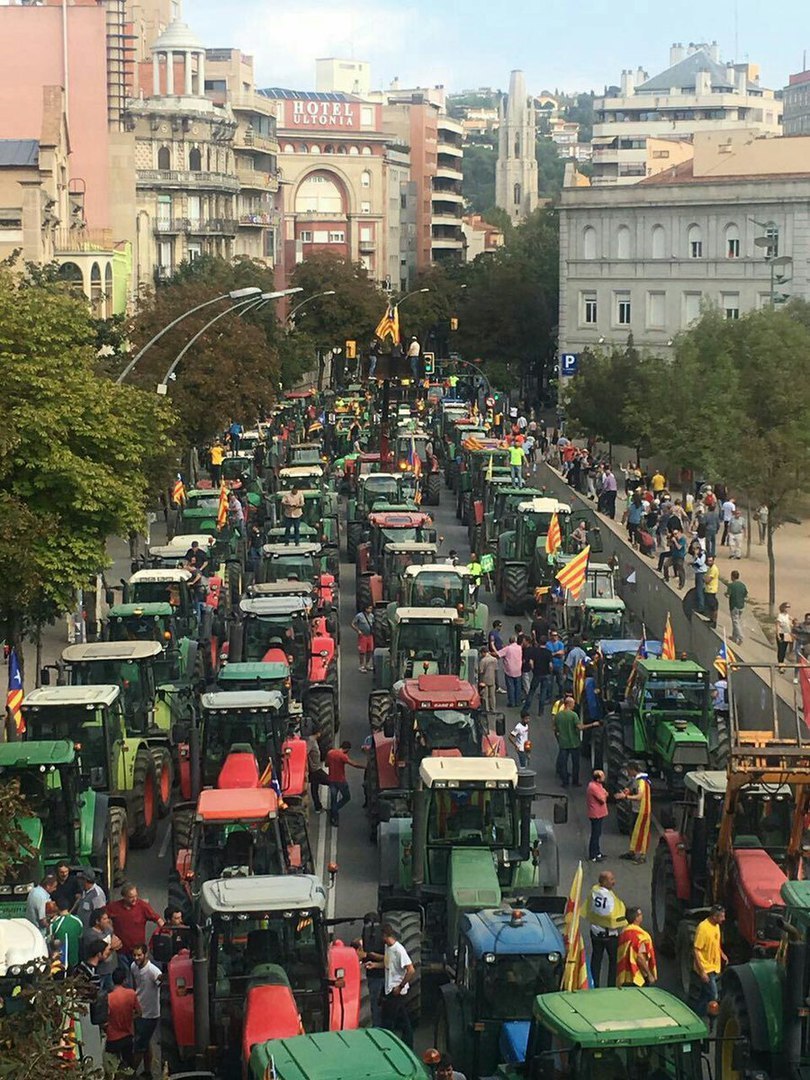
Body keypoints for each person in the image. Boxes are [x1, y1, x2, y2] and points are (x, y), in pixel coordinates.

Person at [364, 924, 415, 1049]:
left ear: (385, 935)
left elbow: (411, 970)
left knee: (388, 1021)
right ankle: (408, 1043)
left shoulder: (399, 950)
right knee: (403, 1020)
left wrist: (400, 986)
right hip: (389, 989)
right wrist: (374, 965)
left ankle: (387, 1046)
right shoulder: (388, 947)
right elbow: (388, 963)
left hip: (395, 991)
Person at [586, 870, 626, 987]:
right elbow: (614, 915)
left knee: (596, 958)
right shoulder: (608, 897)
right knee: (614, 961)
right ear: (603, 882)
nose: (614, 882)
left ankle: (595, 984)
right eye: (611, 879)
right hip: (610, 935)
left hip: (595, 932)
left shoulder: (594, 891)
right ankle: (611, 985)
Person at [106, 883, 164, 961]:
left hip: (138, 951)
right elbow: (101, 917)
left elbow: (158, 920)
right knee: (124, 972)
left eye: (136, 896)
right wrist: (110, 933)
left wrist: (163, 934)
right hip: (122, 951)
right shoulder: (114, 907)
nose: (135, 899)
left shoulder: (143, 906)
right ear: (124, 897)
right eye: (131, 897)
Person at [554, 694, 600, 788]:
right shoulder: (573, 715)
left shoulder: (558, 715)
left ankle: (565, 782)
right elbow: (580, 727)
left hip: (563, 743)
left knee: (564, 763)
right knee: (576, 764)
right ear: (569, 704)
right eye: (573, 704)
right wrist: (592, 724)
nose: (574, 705)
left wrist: (559, 736)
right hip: (574, 743)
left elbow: (555, 728)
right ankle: (575, 781)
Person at [130, 943, 162, 1076]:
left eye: (139, 955)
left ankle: (131, 1073)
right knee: (146, 1042)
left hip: (150, 1014)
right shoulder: (133, 967)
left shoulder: (153, 971)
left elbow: (161, 981)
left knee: (140, 1046)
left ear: (145, 954)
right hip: (139, 1011)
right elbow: (134, 984)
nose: (137, 958)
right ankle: (148, 1071)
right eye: (135, 955)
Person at [692, 905, 727, 1017]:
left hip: (714, 966)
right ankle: (710, 1019)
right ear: (714, 916)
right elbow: (696, 950)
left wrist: (722, 954)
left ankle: (697, 1014)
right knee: (714, 995)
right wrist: (702, 971)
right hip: (706, 968)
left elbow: (715, 943)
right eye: (721, 916)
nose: (724, 919)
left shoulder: (716, 926)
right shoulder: (703, 928)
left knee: (704, 995)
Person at [616, 762, 652, 864]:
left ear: (632, 770)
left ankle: (642, 855)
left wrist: (626, 797)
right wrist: (625, 792)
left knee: (642, 832)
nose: (627, 773)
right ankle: (633, 851)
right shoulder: (635, 780)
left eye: (628, 771)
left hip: (642, 810)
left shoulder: (642, 782)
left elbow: (639, 796)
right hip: (635, 809)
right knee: (633, 830)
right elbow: (630, 789)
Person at [104, 967, 140, 1068]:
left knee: (111, 1068)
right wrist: (130, 1017)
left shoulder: (108, 998)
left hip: (112, 1038)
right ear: (124, 980)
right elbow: (139, 1013)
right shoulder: (131, 994)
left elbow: (105, 1018)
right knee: (128, 1068)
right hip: (128, 1036)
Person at [326, 740, 364, 827]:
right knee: (347, 797)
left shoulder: (330, 753)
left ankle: (334, 816)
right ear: (347, 749)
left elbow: (326, 764)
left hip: (331, 780)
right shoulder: (343, 756)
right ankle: (334, 810)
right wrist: (364, 767)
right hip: (341, 781)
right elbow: (354, 764)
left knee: (333, 799)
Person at [616, 907, 657, 987]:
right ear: (637, 918)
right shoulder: (640, 936)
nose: (642, 916)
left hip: (624, 976)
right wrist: (649, 974)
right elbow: (640, 957)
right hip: (637, 977)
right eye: (640, 914)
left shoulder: (624, 933)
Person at [83, 908, 121, 990]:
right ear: (97, 921)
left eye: (107, 918)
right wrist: (112, 947)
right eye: (104, 919)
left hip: (110, 969)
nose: (107, 921)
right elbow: (100, 954)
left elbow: (117, 942)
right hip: (99, 971)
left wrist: (112, 946)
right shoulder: (90, 935)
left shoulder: (108, 930)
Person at [522, 636, 553, 715]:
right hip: (545, 674)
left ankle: (526, 708)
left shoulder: (535, 651)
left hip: (537, 674)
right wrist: (549, 672)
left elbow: (531, 662)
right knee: (543, 692)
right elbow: (550, 665)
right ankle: (541, 711)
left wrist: (533, 669)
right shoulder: (548, 652)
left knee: (532, 691)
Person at [50, 901, 84, 967]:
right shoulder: (78, 920)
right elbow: (80, 936)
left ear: (57, 908)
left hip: (60, 962)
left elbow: (51, 942)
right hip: (74, 959)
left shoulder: (54, 924)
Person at [586, 769, 609, 862]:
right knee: (595, 835)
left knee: (598, 833)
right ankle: (593, 855)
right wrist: (604, 794)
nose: (604, 777)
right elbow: (602, 798)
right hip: (596, 814)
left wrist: (604, 793)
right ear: (598, 779)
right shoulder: (593, 787)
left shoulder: (598, 785)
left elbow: (605, 793)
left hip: (600, 813)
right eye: (602, 776)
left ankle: (598, 852)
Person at [497, 636, 524, 707]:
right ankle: (518, 702)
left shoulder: (508, 648)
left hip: (509, 670)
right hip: (518, 669)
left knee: (511, 687)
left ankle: (512, 702)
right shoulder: (519, 648)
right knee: (518, 686)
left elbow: (498, 654)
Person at [307, 734, 330, 813]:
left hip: (315, 769)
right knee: (331, 782)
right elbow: (306, 752)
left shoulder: (313, 741)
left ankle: (318, 807)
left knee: (314, 789)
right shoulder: (311, 742)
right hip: (315, 769)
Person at [351, 603, 375, 674]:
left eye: (371, 609)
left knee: (370, 650)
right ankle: (361, 665)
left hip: (370, 635)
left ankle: (367, 664)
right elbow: (352, 623)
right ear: (366, 609)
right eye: (369, 608)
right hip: (363, 636)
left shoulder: (372, 616)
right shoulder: (359, 616)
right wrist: (358, 631)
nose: (370, 610)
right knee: (362, 651)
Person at [727, 570, 748, 645]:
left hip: (734, 606)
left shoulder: (731, 585)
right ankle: (734, 637)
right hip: (741, 605)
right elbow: (746, 594)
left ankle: (740, 637)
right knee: (737, 621)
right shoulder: (742, 585)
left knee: (735, 621)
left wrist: (726, 594)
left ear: (732, 577)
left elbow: (728, 594)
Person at [545, 629, 566, 699]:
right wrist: (557, 653)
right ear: (550, 636)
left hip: (559, 665)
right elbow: (548, 654)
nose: (554, 637)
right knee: (549, 682)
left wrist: (554, 653)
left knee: (560, 682)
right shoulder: (548, 644)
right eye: (553, 635)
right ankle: (549, 696)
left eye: (556, 635)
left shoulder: (561, 644)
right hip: (550, 665)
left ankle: (561, 695)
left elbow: (562, 653)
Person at [478, 647, 498, 712]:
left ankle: (486, 709)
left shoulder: (483, 660)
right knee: (492, 696)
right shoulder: (494, 659)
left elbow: (481, 672)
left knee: (485, 696)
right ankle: (493, 708)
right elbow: (496, 670)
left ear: (483, 652)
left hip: (484, 680)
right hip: (492, 679)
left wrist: (480, 681)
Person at [690, 540, 707, 614]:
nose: (694, 551)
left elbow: (700, 563)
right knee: (697, 590)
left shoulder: (702, 555)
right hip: (697, 573)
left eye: (695, 549)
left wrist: (696, 557)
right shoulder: (695, 555)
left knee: (700, 590)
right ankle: (698, 605)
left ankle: (701, 607)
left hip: (701, 573)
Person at [703, 555, 720, 628]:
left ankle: (714, 622)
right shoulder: (710, 568)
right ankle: (711, 620)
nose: (709, 562)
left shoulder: (713, 569)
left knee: (714, 607)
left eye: (710, 561)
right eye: (708, 561)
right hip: (708, 590)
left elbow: (707, 580)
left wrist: (703, 577)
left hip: (711, 590)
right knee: (710, 607)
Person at [777, 601, 794, 667]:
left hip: (787, 634)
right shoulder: (780, 616)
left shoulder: (787, 616)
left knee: (785, 649)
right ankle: (780, 664)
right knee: (781, 650)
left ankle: (784, 661)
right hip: (782, 634)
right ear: (783, 607)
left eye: (789, 607)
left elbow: (790, 623)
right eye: (787, 607)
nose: (788, 608)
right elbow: (777, 626)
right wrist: (778, 635)